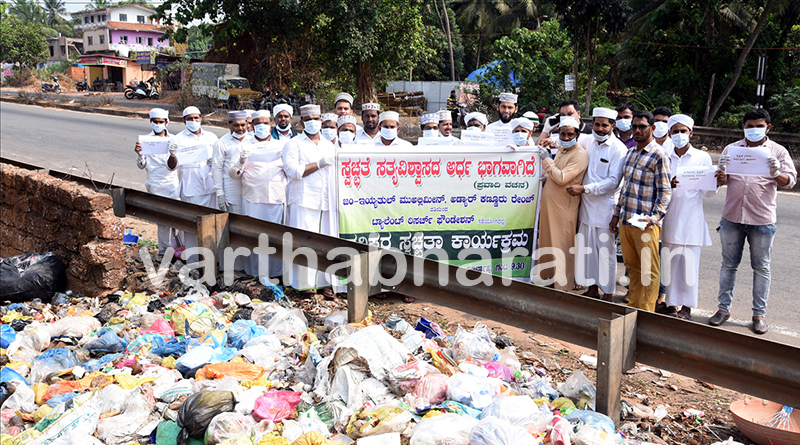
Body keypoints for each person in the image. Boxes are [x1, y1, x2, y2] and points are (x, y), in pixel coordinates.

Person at [710, 108, 797, 334]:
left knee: (761, 267)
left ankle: (759, 315)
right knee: (728, 265)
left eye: (759, 126)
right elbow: (721, 179)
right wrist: (720, 174)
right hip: (732, 216)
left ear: (768, 127)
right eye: (750, 126)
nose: (754, 130)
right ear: (743, 127)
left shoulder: (778, 151)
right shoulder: (732, 149)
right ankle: (723, 309)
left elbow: (790, 181)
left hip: (762, 219)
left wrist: (776, 173)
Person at [610, 110, 672, 312]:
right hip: (626, 221)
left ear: (652, 128)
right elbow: (626, 188)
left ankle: (645, 312)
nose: (637, 130)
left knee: (648, 271)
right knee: (632, 268)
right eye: (634, 126)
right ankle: (633, 309)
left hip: (645, 224)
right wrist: (616, 214)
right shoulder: (631, 153)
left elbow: (665, 192)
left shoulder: (659, 155)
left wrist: (653, 218)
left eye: (642, 126)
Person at [569, 108, 628, 301]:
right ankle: (592, 288)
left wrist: (585, 189)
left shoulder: (619, 149)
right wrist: (548, 140)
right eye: (597, 124)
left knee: (606, 254)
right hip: (586, 209)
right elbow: (567, 140)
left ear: (612, 126)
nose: (600, 129)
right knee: (588, 252)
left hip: (605, 209)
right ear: (592, 124)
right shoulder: (587, 141)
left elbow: (613, 182)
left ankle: (608, 293)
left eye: (605, 125)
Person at [661, 114, 715, 320]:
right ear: (669, 133)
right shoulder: (664, 155)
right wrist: (669, 185)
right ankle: (671, 304)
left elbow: (708, 192)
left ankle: (686, 307)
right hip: (669, 217)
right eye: (675, 131)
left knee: (689, 265)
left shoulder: (702, 158)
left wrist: (716, 182)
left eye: (683, 131)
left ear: (691, 133)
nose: (679, 135)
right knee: (670, 264)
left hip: (691, 219)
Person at [282, 104, 337, 296]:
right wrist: (319, 164)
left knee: (325, 242)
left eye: (316, 118)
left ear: (321, 120)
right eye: (309, 119)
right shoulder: (293, 144)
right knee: (304, 242)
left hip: (326, 201)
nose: (313, 122)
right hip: (303, 200)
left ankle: (325, 283)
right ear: (301, 122)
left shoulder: (329, 145)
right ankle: (304, 284)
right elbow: (292, 171)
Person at [229, 111, 286, 279]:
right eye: (258, 123)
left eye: (266, 123)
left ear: (271, 124)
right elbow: (232, 173)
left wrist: (285, 161)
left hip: (277, 198)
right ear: (251, 126)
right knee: (255, 237)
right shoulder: (243, 146)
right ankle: (256, 274)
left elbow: (292, 172)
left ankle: (277, 274)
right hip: (253, 199)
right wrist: (240, 161)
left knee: (275, 238)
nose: (262, 127)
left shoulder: (281, 145)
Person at [536, 117, 589, 290]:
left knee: (562, 246)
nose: (565, 138)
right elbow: (553, 173)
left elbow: (561, 178)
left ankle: (563, 287)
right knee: (548, 242)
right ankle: (548, 278)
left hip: (563, 208)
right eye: (562, 134)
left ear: (578, 135)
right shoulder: (561, 149)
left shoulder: (580, 155)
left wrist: (546, 159)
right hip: (550, 207)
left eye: (569, 135)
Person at [170, 106, 219, 263]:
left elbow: (220, 159)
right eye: (190, 119)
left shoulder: (211, 137)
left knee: (211, 224)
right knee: (192, 226)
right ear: (184, 120)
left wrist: (214, 162)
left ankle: (213, 260)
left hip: (209, 185)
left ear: (201, 118)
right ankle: (193, 262)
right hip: (191, 186)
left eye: (196, 118)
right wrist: (172, 155)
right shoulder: (178, 139)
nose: (194, 121)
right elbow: (171, 166)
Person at [133, 108, 181, 255]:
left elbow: (173, 167)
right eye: (155, 122)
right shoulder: (145, 140)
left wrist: (173, 154)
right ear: (151, 122)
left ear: (167, 122)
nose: (158, 124)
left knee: (178, 219)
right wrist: (140, 155)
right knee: (163, 222)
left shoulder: (174, 139)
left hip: (172, 184)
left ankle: (180, 250)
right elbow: (142, 166)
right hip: (154, 184)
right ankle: (165, 252)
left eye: (161, 122)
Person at [212, 110, 250, 215]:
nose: (240, 128)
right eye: (236, 125)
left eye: (243, 125)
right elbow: (216, 168)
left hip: (251, 190)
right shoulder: (221, 143)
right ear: (229, 125)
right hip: (231, 191)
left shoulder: (252, 140)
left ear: (247, 124)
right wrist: (220, 193)